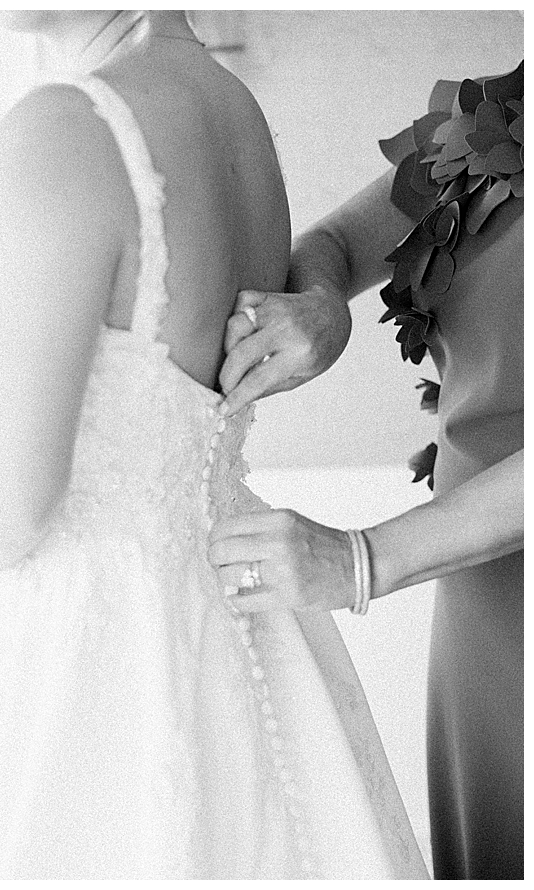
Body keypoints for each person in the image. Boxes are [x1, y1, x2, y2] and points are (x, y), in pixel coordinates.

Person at [0, 11, 430, 880]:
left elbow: (14, 503)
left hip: (83, 653)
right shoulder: (234, 111)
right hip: (239, 611)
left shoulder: (62, 130)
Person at [211, 62, 524, 879]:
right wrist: (320, 305)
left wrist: (361, 558)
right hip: (479, 595)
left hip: (431, 550)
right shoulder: (508, 109)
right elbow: (341, 243)